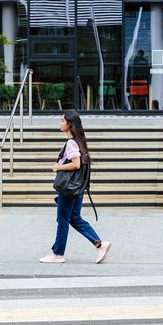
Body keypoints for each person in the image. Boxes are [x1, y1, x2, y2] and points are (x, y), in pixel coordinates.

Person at [40, 110, 111, 264]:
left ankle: (57, 254)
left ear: (69, 124)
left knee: (63, 220)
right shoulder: (80, 141)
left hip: (69, 188)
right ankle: (99, 244)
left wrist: (57, 167)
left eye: (62, 120)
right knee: (74, 218)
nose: (60, 123)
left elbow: (76, 164)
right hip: (78, 187)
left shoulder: (71, 143)